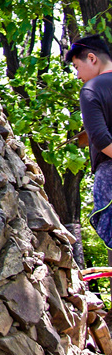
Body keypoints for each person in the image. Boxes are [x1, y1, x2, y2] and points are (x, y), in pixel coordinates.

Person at [66, 35, 112, 248]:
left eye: (77, 67)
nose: (78, 75)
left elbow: (100, 138)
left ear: (92, 58)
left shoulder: (92, 89)